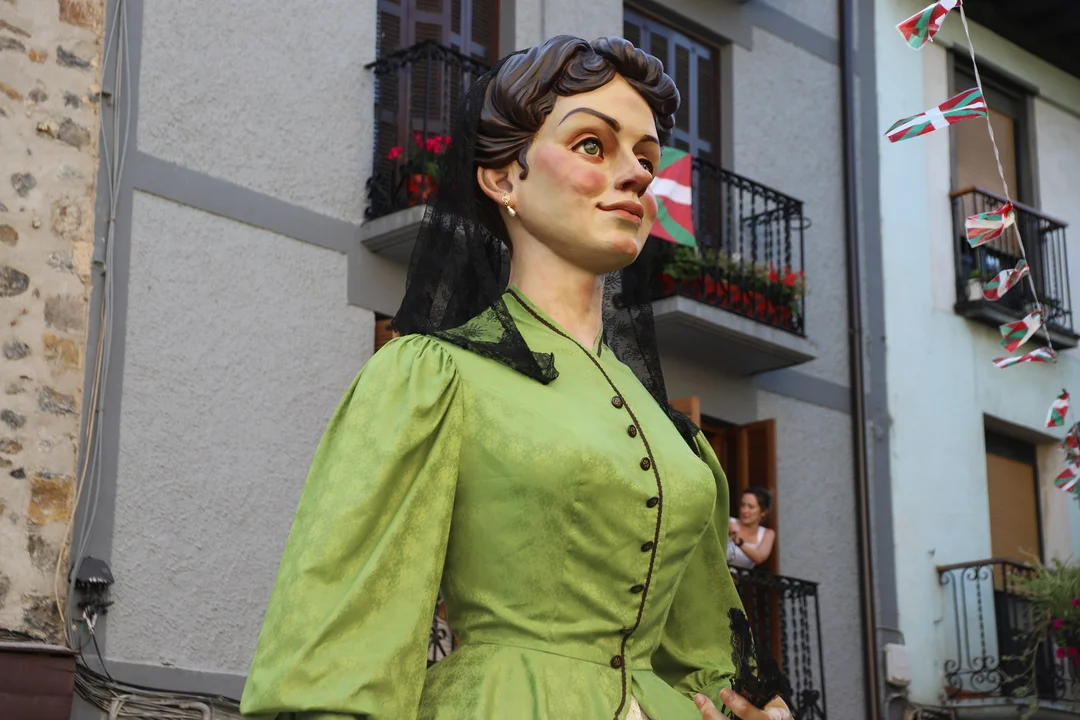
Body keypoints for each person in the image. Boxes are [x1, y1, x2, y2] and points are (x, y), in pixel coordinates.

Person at [239, 35, 792, 720]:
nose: (637, 175)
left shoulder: (678, 440)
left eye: (647, 158)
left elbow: (707, 664)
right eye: (592, 145)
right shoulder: (433, 378)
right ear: (504, 180)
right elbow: (334, 658)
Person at [727, 487, 777, 571]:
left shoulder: (767, 533)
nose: (744, 511)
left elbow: (759, 557)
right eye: (743, 505)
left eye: (751, 507)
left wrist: (738, 542)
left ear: (763, 512)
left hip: (742, 578)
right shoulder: (728, 522)